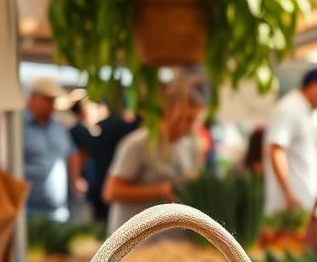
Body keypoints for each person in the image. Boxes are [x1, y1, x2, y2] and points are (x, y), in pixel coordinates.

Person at [103, 78, 207, 233]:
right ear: (168, 112)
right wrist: (159, 190)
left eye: (194, 120)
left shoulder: (190, 145)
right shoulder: (138, 143)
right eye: (186, 119)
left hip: (170, 240)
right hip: (134, 240)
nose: (191, 127)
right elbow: (111, 192)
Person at [265, 68, 317, 215]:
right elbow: (276, 149)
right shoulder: (289, 108)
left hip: (301, 201)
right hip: (289, 205)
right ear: (314, 86)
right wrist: (289, 193)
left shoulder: (302, 110)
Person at [22, 77, 79, 221]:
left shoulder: (57, 126)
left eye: (53, 100)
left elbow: (71, 152)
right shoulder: (18, 126)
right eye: (47, 100)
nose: (51, 105)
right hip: (28, 209)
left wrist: (75, 179)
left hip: (59, 210)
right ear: (32, 98)